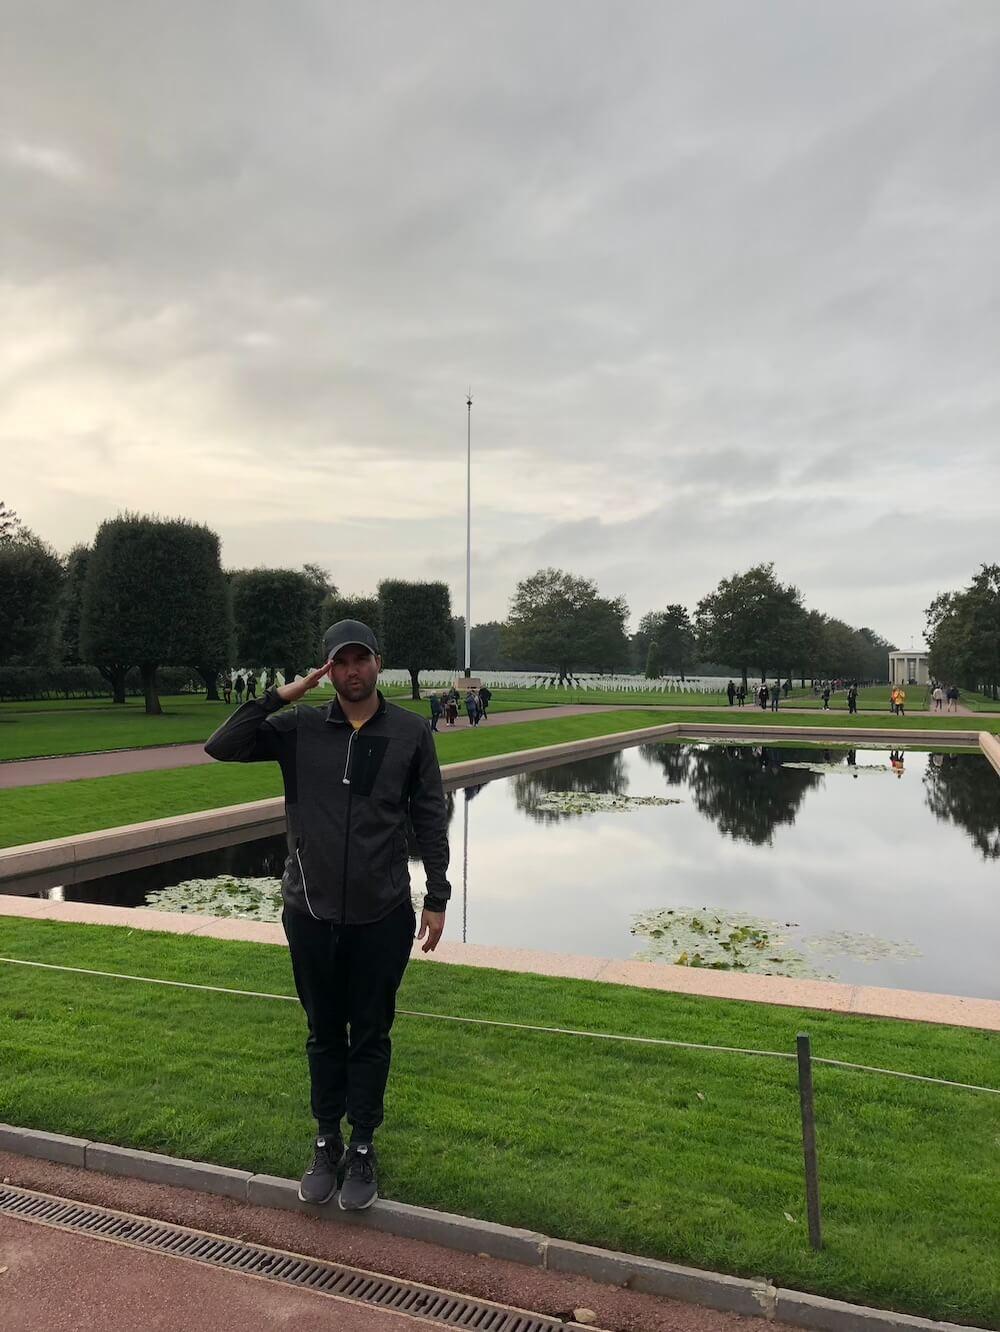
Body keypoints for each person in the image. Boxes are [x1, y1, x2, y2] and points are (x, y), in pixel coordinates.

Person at [204, 620, 451, 1212]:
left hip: (382, 911)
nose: (352, 671)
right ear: (327, 671)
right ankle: (326, 1140)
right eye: (340, 663)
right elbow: (223, 744)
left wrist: (437, 896)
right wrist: (279, 694)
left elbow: (429, 819)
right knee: (322, 1034)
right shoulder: (299, 728)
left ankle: (362, 1145)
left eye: (361, 660)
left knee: (370, 1032)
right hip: (311, 912)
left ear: (378, 664)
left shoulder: (411, 733)